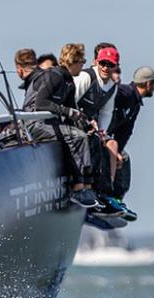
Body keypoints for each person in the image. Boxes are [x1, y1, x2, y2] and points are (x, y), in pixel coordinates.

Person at [24, 43, 101, 208]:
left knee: (86, 135)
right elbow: (41, 103)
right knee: (76, 136)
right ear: (72, 61)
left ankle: (88, 186)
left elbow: (72, 109)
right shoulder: (54, 75)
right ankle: (78, 188)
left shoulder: (69, 81)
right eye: (82, 61)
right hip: (35, 124)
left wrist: (86, 124)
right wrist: (68, 112)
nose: (83, 65)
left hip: (51, 123)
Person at [104, 66, 154, 221]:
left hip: (111, 140)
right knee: (120, 156)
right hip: (100, 134)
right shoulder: (125, 93)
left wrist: (118, 152)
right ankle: (106, 197)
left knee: (124, 158)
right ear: (148, 84)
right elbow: (106, 101)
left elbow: (125, 132)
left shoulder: (136, 103)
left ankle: (116, 199)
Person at [73, 44, 122, 215]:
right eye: (103, 63)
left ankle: (103, 194)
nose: (105, 68)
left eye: (110, 64)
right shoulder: (86, 77)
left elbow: (106, 113)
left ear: (116, 66)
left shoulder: (112, 88)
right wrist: (85, 121)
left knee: (105, 145)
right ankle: (83, 187)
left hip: (89, 124)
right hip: (72, 119)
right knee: (89, 141)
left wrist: (102, 132)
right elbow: (70, 100)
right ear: (96, 62)